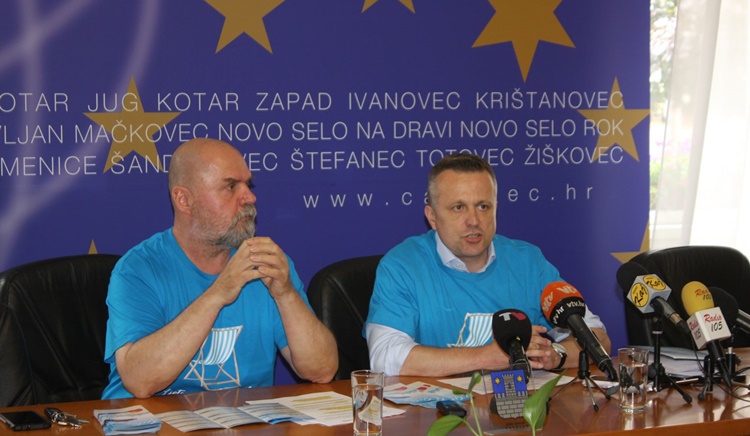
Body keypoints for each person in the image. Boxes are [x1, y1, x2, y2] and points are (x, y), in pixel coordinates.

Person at [102, 138, 337, 399]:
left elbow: (322, 371)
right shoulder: (138, 270)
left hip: (246, 418)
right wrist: (219, 293)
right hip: (150, 419)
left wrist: (286, 295)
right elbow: (140, 382)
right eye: (231, 186)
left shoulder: (267, 262)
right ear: (183, 199)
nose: (249, 197)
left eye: (248, 184)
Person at [365, 153, 611, 377]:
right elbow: (384, 356)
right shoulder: (402, 266)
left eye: (483, 206)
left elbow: (597, 337)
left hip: (520, 407)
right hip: (437, 409)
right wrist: (488, 356)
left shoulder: (528, 262)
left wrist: (556, 355)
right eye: (458, 208)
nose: (473, 221)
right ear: (432, 217)